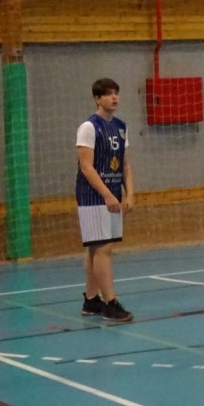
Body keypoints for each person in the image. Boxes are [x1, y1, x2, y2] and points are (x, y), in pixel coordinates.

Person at [76, 78, 135, 322]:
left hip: (113, 194)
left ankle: (91, 301)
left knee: (96, 248)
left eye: (116, 93)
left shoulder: (121, 127)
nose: (114, 97)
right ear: (97, 98)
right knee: (103, 248)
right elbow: (86, 167)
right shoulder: (89, 127)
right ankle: (111, 303)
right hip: (93, 196)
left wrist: (129, 192)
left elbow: (125, 164)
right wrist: (107, 194)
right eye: (108, 94)